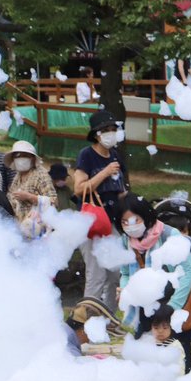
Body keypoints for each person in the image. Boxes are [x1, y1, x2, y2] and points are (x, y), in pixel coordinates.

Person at [117, 194, 191, 373]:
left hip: (177, 303)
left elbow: (187, 272)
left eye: (134, 219)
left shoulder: (168, 234)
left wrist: (173, 306)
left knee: (180, 358)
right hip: (145, 306)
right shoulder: (126, 241)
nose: (130, 226)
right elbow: (125, 273)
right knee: (143, 356)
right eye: (124, 222)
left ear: (145, 216)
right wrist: (127, 291)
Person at [74, 110, 130, 310]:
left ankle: (109, 319)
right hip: (92, 222)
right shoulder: (86, 155)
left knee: (115, 272)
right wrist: (104, 173)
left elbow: (121, 191)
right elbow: (79, 189)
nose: (110, 133)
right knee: (96, 273)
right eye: (105, 130)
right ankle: (86, 321)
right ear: (96, 134)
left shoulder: (115, 156)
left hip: (113, 222)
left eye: (113, 129)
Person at [4, 140, 57, 239]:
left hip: (38, 230)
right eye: (17, 155)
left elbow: (53, 201)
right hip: (21, 228)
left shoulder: (41, 175)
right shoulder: (18, 176)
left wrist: (30, 197)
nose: (20, 158)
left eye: (24, 155)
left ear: (32, 158)